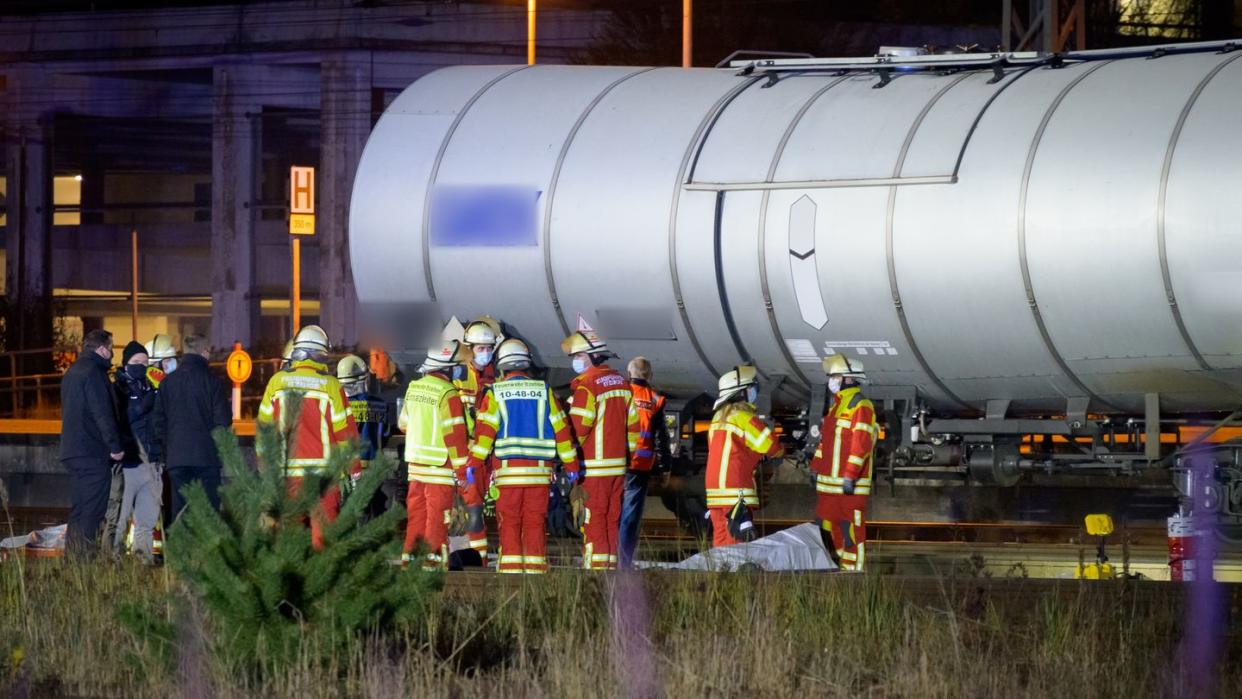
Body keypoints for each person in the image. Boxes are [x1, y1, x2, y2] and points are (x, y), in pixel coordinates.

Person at [465, 338, 580, 574]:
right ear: (527, 364)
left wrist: (473, 464)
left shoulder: (495, 393)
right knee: (535, 523)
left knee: (509, 523)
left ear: (502, 366)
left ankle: (511, 573)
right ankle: (536, 573)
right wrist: (571, 464)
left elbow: (484, 435)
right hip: (539, 475)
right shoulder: (544, 391)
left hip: (508, 475)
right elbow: (561, 430)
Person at [256, 325, 359, 550]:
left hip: (288, 476)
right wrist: (355, 471)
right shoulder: (331, 386)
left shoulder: (276, 383)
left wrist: (264, 465)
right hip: (324, 478)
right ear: (321, 354)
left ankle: (291, 583)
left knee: (289, 541)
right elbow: (346, 434)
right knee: (323, 541)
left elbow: (264, 430)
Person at [562, 328, 638, 570]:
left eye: (580, 356)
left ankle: (595, 575)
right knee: (611, 520)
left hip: (593, 470)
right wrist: (627, 456)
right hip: (617, 469)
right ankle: (610, 571)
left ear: (593, 356)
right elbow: (634, 428)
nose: (576, 361)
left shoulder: (587, 387)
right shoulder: (623, 384)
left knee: (593, 522)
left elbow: (577, 429)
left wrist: (569, 459)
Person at [398, 339, 472, 569]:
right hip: (439, 467)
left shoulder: (414, 387)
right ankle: (433, 564)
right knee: (437, 518)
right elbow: (455, 435)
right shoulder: (448, 393)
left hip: (415, 467)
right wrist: (461, 471)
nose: (461, 368)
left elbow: (403, 425)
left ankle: (410, 561)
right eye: (459, 364)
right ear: (448, 367)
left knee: (416, 516)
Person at [153, 334, 232, 526]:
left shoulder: (167, 383)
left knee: (180, 514)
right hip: (206, 460)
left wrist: (169, 449)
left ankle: (180, 555)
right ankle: (205, 556)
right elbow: (223, 421)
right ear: (205, 352)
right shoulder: (212, 383)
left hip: (177, 460)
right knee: (208, 515)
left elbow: (157, 423)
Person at [60, 329, 124, 558]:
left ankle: (73, 562)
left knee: (79, 510)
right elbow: (102, 414)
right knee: (93, 511)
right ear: (101, 349)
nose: (111, 355)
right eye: (111, 348)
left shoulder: (72, 373)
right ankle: (84, 563)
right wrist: (115, 447)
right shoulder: (95, 374)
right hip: (92, 452)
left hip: (72, 450)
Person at [811, 355, 878, 572]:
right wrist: (815, 468)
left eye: (835, 376)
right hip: (828, 486)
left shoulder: (861, 406)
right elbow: (825, 444)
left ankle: (853, 575)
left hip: (849, 487)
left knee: (850, 532)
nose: (831, 380)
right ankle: (838, 570)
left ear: (849, 379)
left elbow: (861, 445)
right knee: (827, 531)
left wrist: (850, 475)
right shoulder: (836, 407)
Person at [705, 365, 782, 548]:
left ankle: (721, 575)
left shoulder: (717, 418)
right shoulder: (745, 418)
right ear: (741, 394)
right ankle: (734, 576)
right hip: (736, 488)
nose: (753, 391)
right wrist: (777, 454)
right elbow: (772, 446)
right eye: (750, 388)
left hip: (715, 491)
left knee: (721, 541)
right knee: (737, 543)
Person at [455, 316, 501, 564]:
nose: (485, 353)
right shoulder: (460, 377)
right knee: (472, 509)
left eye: (489, 349)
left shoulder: (498, 376)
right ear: (469, 350)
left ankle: (486, 558)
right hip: (469, 455)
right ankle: (478, 560)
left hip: (492, 454)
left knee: (503, 508)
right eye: (480, 349)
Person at [618, 356, 671, 569]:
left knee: (609, 512)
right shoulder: (655, 399)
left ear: (628, 373)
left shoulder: (620, 394)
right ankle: (623, 563)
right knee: (629, 518)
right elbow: (661, 438)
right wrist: (665, 468)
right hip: (640, 466)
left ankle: (604, 558)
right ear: (650, 375)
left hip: (614, 463)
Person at [112, 340, 163, 561]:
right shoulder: (117, 388)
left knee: (147, 520)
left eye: (145, 361)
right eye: (136, 361)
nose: (141, 365)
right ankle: (113, 563)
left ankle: (143, 563)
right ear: (125, 364)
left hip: (152, 463)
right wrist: (144, 405)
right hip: (129, 464)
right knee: (120, 519)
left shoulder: (153, 386)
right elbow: (120, 419)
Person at [337, 354, 391, 514]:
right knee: (374, 511)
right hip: (375, 467)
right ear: (363, 379)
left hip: (348, 470)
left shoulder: (339, 407)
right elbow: (386, 433)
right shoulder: (380, 404)